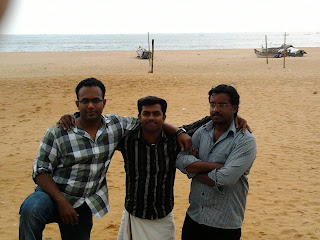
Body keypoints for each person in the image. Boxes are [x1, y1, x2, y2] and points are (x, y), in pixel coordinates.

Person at [18, 78, 187, 240]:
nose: (90, 105)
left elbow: (149, 121)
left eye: (96, 100)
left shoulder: (115, 125)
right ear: (77, 104)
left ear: (103, 102)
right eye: (85, 101)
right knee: (31, 209)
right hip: (52, 194)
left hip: (84, 201)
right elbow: (40, 171)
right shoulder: (57, 132)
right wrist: (62, 202)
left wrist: (179, 131)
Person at [116, 96, 210, 240]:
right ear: (138, 116)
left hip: (163, 214)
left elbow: (207, 121)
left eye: (156, 114)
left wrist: (236, 117)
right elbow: (100, 125)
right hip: (134, 212)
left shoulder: (174, 141)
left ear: (164, 117)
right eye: (146, 113)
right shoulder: (127, 140)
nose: (151, 118)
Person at [176, 84, 257, 240]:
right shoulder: (202, 131)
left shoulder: (245, 140)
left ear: (235, 108)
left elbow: (225, 179)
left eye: (222, 105)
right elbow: (180, 159)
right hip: (195, 217)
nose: (215, 109)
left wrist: (193, 171)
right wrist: (216, 167)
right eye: (212, 104)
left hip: (223, 223)